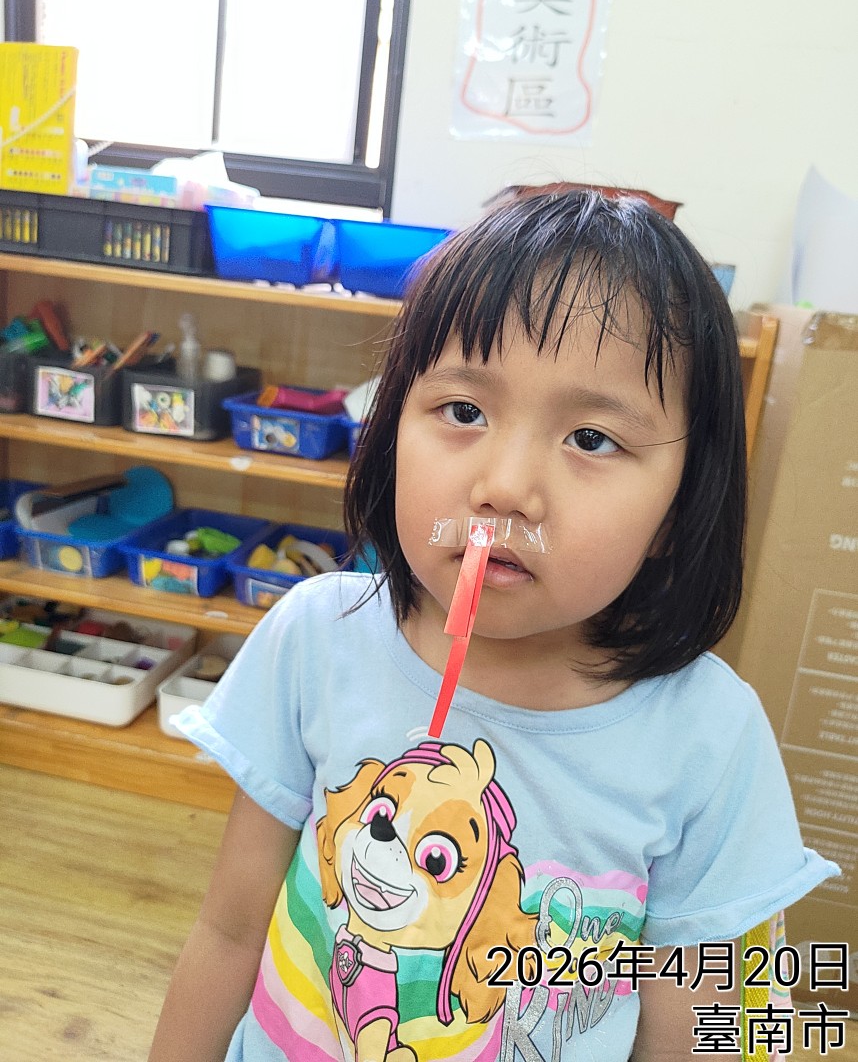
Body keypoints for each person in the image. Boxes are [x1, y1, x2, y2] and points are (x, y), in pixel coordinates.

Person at [150, 190, 838, 1062]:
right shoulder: (317, 639)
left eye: (592, 438)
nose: (505, 486)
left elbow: (693, 1029)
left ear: (679, 507)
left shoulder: (708, 737)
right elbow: (228, 932)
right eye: (464, 412)